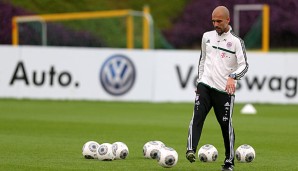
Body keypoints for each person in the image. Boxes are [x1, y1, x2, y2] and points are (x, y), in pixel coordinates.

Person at [185, 6, 249, 171]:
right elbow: (202, 60)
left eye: (219, 21)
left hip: (224, 91)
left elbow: (244, 66)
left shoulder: (236, 42)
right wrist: (200, 81)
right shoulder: (206, 37)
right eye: (213, 20)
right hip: (205, 85)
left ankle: (229, 162)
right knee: (197, 116)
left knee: (225, 125)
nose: (215, 24)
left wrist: (233, 77)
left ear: (228, 20)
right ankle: (191, 149)